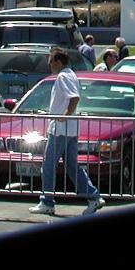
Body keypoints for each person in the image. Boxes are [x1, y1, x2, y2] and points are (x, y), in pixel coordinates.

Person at [30, 49, 104, 216]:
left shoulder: (64, 76)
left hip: (60, 130)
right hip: (69, 130)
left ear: (58, 61)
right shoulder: (70, 74)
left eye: (50, 61)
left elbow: (74, 97)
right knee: (72, 166)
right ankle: (93, 197)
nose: (49, 64)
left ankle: (47, 202)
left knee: (48, 166)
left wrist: (65, 115)